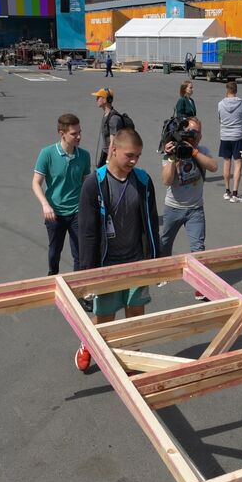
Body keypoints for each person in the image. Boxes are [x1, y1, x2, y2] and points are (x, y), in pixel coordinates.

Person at [74, 129, 161, 372]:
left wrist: (155, 259)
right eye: (130, 155)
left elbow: (151, 222)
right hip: (107, 263)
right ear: (113, 150)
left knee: (136, 314)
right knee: (106, 318)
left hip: (135, 260)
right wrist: (86, 274)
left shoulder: (143, 181)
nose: (134, 161)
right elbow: (88, 232)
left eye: (138, 156)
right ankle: (88, 342)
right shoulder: (94, 184)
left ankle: (133, 357)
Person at [32, 113, 91, 275]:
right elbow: (36, 183)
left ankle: (79, 289)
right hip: (54, 214)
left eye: (80, 132)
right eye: (74, 134)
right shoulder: (47, 154)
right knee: (54, 252)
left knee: (80, 254)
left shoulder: (84, 156)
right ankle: (53, 278)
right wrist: (45, 205)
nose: (79, 136)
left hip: (77, 212)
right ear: (62, 134)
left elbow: (86, 184)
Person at [159, 116, 217, 258]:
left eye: (196, 132)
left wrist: (194, 152)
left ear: (201, 136)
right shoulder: (173, 151)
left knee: (198, 248)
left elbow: (214, 167)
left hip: (195, 209)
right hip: (173, 207)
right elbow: (166, 180)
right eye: (189, 131)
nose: (192, 135)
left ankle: (197, 277)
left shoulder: (202, 150)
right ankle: (164, 275)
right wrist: (172, 158)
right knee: (165, 243)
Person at [216, 81, 242, 202]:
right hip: (237, 136)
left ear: (227, 90)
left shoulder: (220, 104)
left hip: (224, 136)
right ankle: (235, 193)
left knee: (226, 162)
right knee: (238, 164)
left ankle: (227, 191)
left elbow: (220, 118)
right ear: (236, 90)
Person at [93, 87, 129, 168]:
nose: (96, 99)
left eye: (98, 97)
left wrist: (108, 161)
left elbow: (113, 143)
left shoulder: (114, 119)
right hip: (105, 152)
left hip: (111, 155)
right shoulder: (106, 115)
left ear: (105, 100)